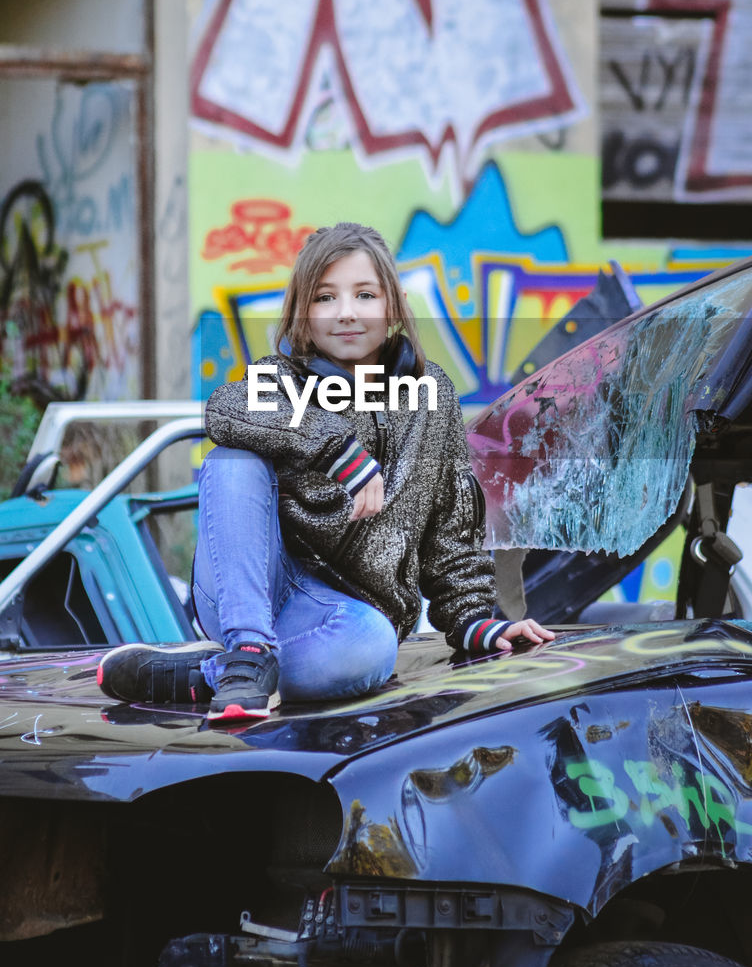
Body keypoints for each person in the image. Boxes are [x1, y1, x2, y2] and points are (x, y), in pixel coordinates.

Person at [98, 223, 553, 719]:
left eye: (364, 295)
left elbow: (451, 520)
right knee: (232, 458)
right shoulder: (282, 380)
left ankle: (220, 674)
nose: (347, 313)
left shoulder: (430, 395)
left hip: (343, 618)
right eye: (325, 298)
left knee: (372, 648)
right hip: (251, 588)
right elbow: (225, 409)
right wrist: (338, 452)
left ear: (395, 305)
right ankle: (247, 649)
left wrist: (474, 622)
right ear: (303, 312)